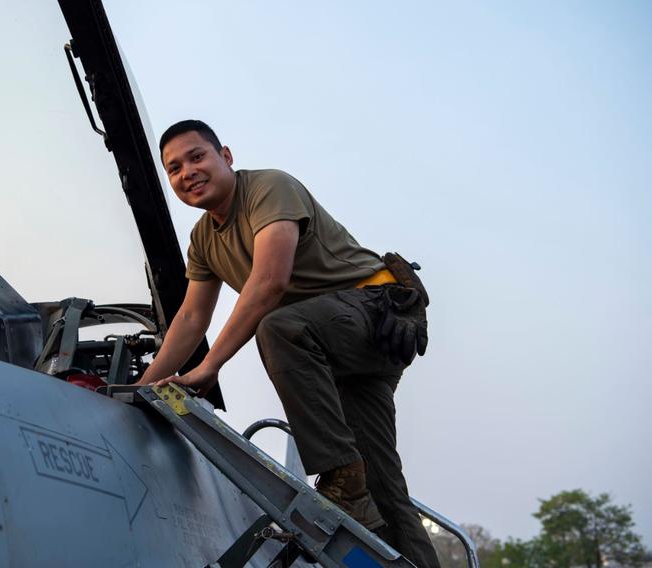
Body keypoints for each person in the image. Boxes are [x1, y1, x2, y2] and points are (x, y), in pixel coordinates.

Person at [137, 120, 439, 568]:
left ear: (226, 155)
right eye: (174, 168)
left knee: (278, 327)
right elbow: (191, 316)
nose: (188, 173)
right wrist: (142, 388)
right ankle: (363, 498)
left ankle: (341, 475)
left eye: (197, 156)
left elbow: (269, 281)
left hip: (375, 311)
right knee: (384, 493)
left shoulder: (268, 189)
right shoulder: (203, 240)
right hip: (333, 346)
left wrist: (209, 367)